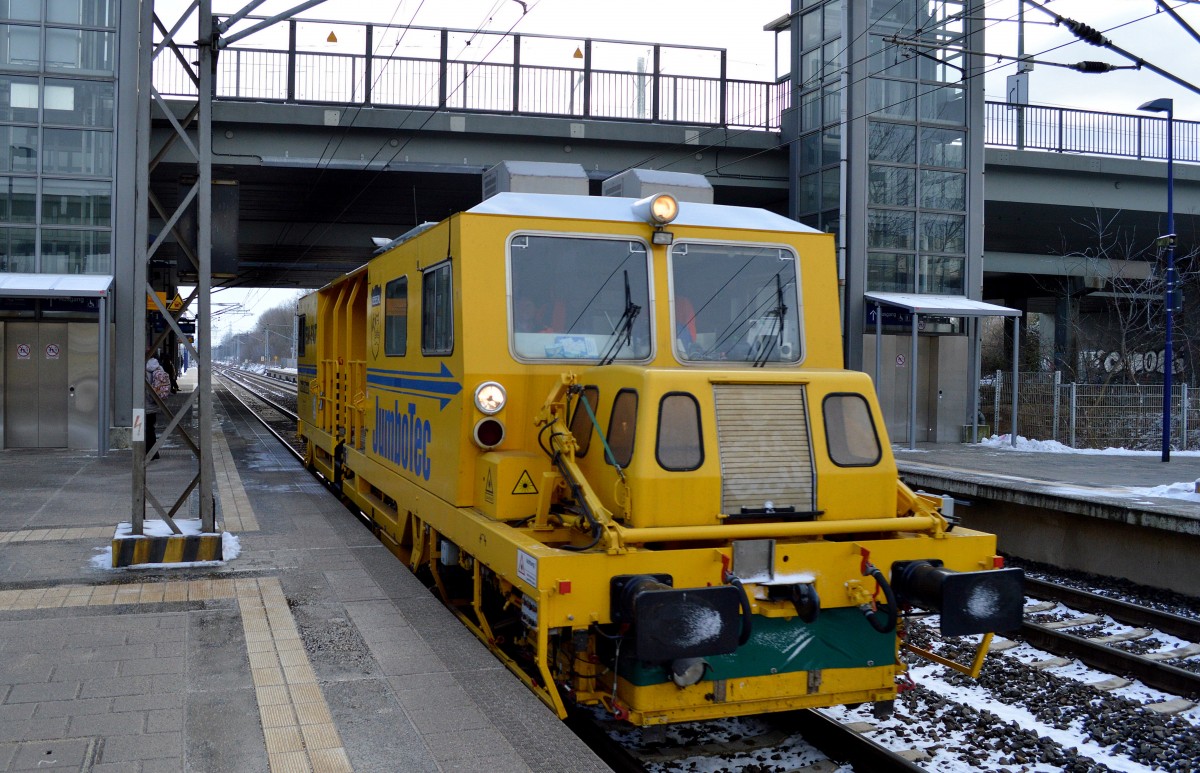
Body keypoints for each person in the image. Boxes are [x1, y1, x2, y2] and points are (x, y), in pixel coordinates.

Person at [144, 356, 165, 461]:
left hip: (144, 404)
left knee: (142, 430)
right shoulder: (159, 368)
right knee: (151, 429)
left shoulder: (142, 369)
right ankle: (154, 452)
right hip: (155, 404)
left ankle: (147, 453)